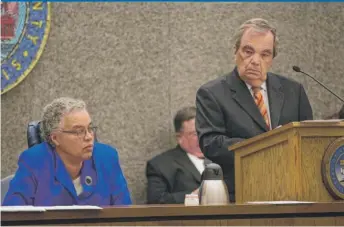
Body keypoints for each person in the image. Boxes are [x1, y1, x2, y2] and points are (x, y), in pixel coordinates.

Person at [195, 18, 313, 202]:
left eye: (265, 54)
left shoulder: (293, 91)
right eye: (248, 51)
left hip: (292, 193)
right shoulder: (212, 93)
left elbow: (308, 141)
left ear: (272, 59)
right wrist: (266, 145)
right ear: (236, 51)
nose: (255, 61)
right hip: (242, 195)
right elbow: (212, 143)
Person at [2, 97, 132, 206]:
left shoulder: (107, 158)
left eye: (90, 128)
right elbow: (13, 216)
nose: (89, 137)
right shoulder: (34, 161)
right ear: (55, 138)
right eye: (79, 131)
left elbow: (126, 216)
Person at [146, 107, 210, 204]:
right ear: (179, 137)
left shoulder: (222, 159)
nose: (202, 137)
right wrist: (192, 196)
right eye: (195, 134)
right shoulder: (161, 165)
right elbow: (156, 200)